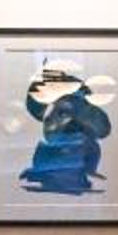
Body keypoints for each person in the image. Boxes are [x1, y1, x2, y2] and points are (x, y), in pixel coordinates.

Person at [17, 59, 111, 196]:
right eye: (47, 111)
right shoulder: (43, 159)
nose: (49, 119)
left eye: (62, 113)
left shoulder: (83, 147)